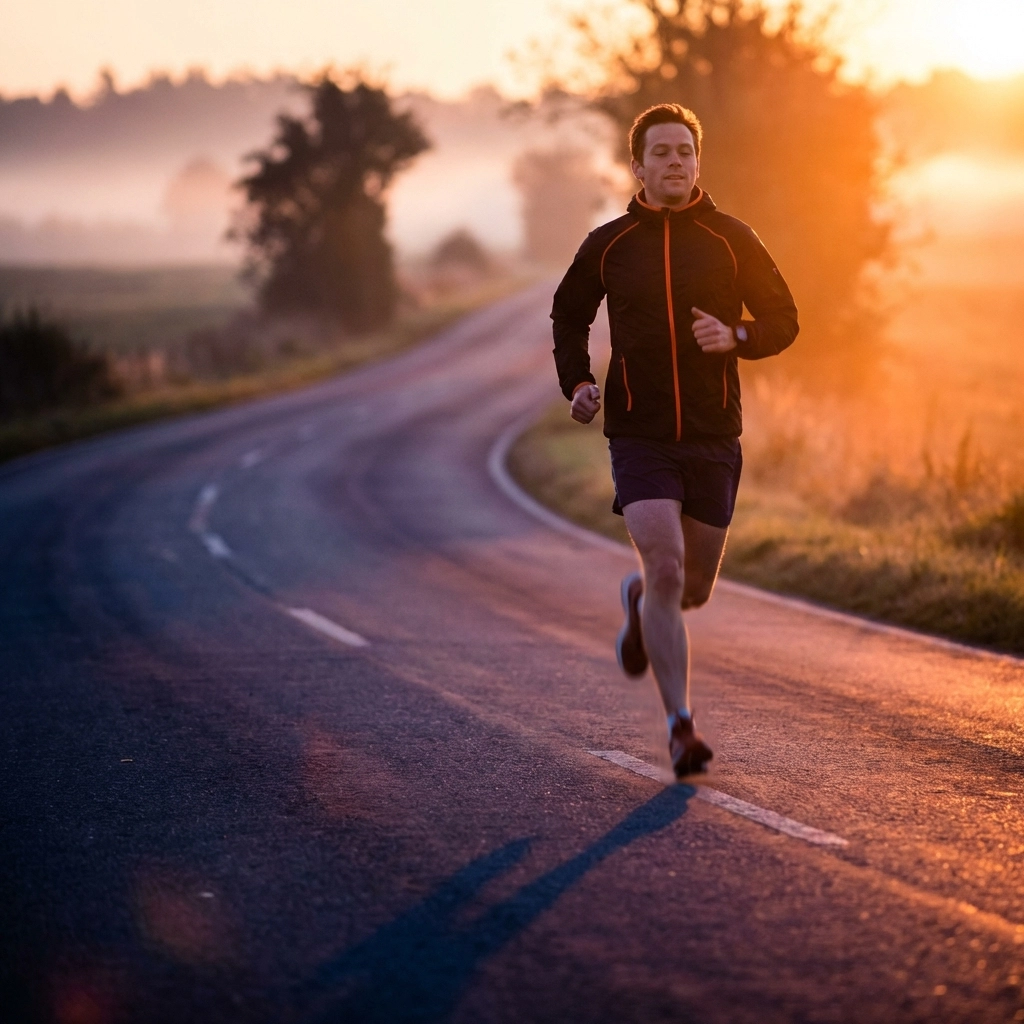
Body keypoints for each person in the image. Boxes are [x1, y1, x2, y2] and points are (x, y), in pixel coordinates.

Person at [551, 103, 799, 778]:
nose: (674, 162)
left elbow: (783, 317)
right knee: (664, 566)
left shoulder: (731, 238)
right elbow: (567, 315)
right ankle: (680, 728)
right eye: (660, 152)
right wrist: (577, 382)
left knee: (690, 590)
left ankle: (638, 604)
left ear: (698, 162)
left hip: (715, 435)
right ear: (637, 167)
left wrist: (738, 336)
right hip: (639, 434)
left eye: (685, 151)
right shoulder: (609, 244)